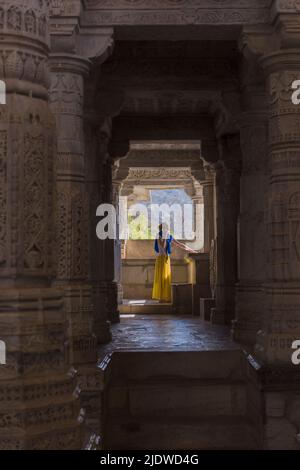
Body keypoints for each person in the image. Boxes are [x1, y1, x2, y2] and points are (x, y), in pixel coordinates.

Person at [152, 223, 197, 303]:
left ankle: (166, 297)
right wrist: (165, 238)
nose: (165, 230)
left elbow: (180, 244)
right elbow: (162, 246)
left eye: (166, 229)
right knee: (161, 278)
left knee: (166, 278)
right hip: (161, 259)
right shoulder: (158, 236)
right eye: (164, 229)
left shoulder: (168, 235)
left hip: (166, 259)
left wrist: (192, 250)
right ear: (161, 229)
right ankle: (161, 297)